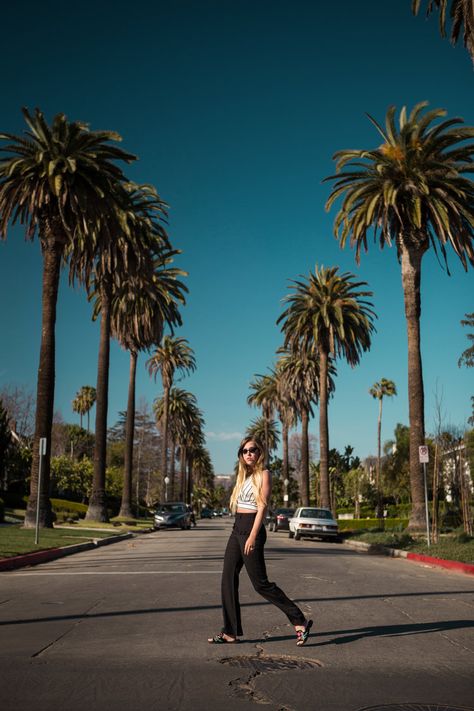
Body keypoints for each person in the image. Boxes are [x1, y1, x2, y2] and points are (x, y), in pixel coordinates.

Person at [208, 437, 312, 646]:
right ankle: (230, 632)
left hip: (251, 529)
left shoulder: (264, 474)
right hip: (237, 528)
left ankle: (299, 620)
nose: (248, 453)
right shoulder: (242, 476)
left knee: (260, 584)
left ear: (260, 452)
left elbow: (262, 507)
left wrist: (253, 535)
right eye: (244, 450)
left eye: (252, 450)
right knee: (227, 578)